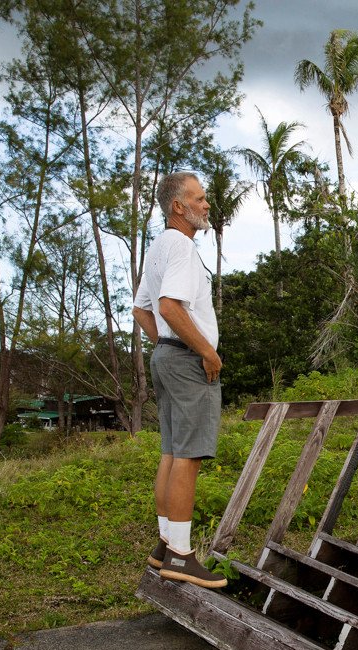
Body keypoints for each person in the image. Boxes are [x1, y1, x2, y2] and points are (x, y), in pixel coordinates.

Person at [131, 172, 228, 589]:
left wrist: (166, 344)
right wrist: (206, 352)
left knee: (171, 453)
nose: (206, 205)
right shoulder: (183, 247)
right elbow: (169, 307)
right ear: (178, 206)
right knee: (188, 456)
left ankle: (166, 543)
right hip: (187, 362)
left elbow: (141, 309)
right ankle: (181, 556)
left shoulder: (159, 246)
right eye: (200, 199)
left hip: (167, 357)